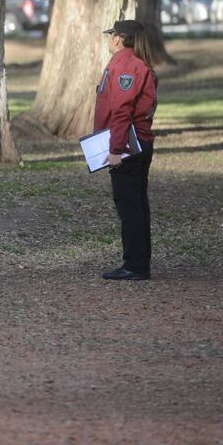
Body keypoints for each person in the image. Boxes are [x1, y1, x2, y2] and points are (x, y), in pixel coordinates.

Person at [94, 20, 158, 281]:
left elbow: (121, 111)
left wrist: (115, 150)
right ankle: (139, 262)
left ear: (119, 38)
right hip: (141, 143)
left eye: (111, 35)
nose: (109, 39)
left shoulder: (125, 66)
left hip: (130, 146)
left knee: (129, 206)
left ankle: (135, 265)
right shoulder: (138, 63)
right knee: (137, 205)